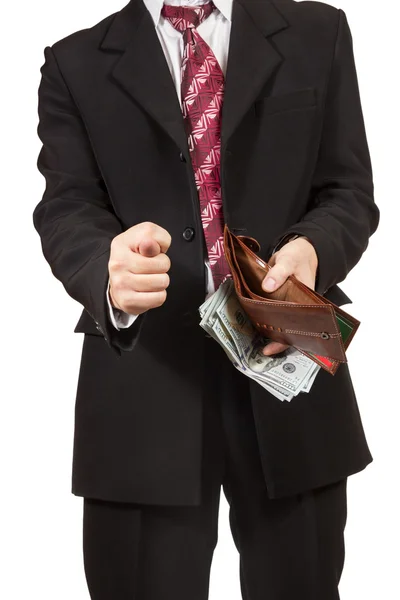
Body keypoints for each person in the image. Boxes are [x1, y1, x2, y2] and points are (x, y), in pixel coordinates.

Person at [33, 0, 379, 598]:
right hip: (143, 386)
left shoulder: (320, 32)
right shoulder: (73, 63)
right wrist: (105, 272)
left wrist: (310, 254)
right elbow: (67, 208)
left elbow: (348, 192)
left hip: (287, 371)